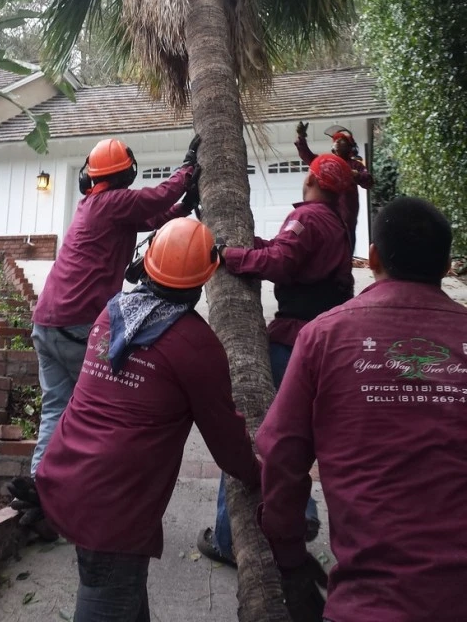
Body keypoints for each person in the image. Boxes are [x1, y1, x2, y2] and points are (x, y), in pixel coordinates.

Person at [35, 217, 260, 622]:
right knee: (108, 596)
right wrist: (263, 476)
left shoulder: (111, 314)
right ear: (205, 277)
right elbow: (228, 443)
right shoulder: (196, 344)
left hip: (67, 479)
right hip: (115, 509)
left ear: (147, 262)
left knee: (122, 596)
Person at [256, 196, 467, 622]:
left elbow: (281, 456)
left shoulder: (323, 336)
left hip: (368, 603)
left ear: (371, 258)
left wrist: (289, 554)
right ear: (447, 267)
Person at [198, 153, 354, 566]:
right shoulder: (338, 222)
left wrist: (231, 258)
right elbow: (287, 252)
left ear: (310, 180)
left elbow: (283, 261)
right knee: (297, 434)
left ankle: (230, 539)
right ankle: (299, 512)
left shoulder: (308, 218)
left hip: (292, 339)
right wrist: (253, 246)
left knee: (254, 429)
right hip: (323, 336)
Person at [29, 134, 201, 477]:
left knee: (56, 409)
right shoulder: (113, 202)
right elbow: (155, 199)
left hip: (47, 324)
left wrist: (184, 207)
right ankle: (94, 486)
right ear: (126, 175)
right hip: (77, 324)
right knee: (102, 409)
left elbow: (151, 218)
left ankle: (40, 487)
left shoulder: (94, 206)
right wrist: (186, 171)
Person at [295, 121, 373, 251]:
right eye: (335, 141)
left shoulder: (356, 165)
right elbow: (307, 156)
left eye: (341, 141)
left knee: (346, 248)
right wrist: (301, 138)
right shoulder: (328, 162)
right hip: (329, 214)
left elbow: (369, 182)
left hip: (348, 218)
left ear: (349, 146)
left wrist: (356, 175)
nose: (337, 142)